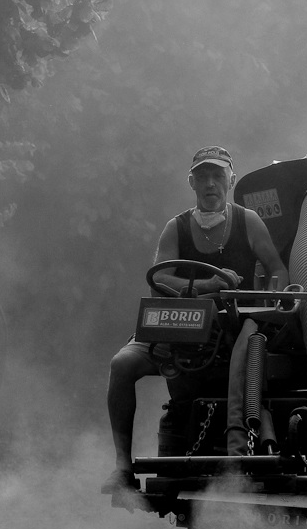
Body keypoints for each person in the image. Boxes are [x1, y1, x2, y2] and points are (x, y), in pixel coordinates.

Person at [103, 146, 289, 493]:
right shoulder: (176, 227)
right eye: (202, 177)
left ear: (230, 181)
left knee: (255, 361)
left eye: (217, 176)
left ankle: (243, 448)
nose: (210, 184)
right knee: (121, 364)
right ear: (192, 183)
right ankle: (122, 469)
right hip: (178, 323)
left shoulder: (248, 221)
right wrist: (207, 285)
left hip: (231, 330)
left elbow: (277, 268)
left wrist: (271, 303)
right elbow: (160, 278)